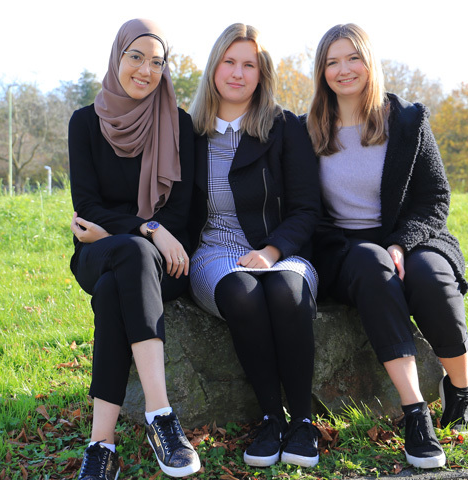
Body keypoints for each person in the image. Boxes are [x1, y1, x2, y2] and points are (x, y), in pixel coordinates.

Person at [306, 23, 468, 469]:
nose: (343, 70)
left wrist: (402, 243)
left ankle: (459, 386)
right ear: (322, 71)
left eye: (352, 58)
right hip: (346, 248)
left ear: (369, 62)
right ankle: (416, 413)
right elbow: (304, 209)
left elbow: (434, 196)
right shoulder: (308, 130)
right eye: (332, 62)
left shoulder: (407, 121)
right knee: (371, 263)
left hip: (412, 234)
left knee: (432, 278)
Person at [67, 18, 200, 480]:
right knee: (132, 252)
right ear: (117, 57)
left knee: (114, 289)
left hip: (163, 262)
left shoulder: (180, 126)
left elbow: (185, 212)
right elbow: (87, 208)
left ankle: (101, 447)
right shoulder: (85, 123)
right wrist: (149, 228)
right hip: (96, 251)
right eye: (136, 57)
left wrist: (145, 233)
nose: (146, 70)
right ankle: (161, 416)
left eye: (158, 62)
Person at [187, 23, 322, 469]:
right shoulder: (190, 132)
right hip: (215, 251)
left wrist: (272, 251)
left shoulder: (285, 128)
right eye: (229, 61)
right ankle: (270, 418)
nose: (238, 73)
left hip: (280, 250)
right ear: (214, 68)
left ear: (261, 74)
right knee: (242, 295)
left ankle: (302, 421)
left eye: (249, 64)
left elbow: (306, 208)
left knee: (287, 292)